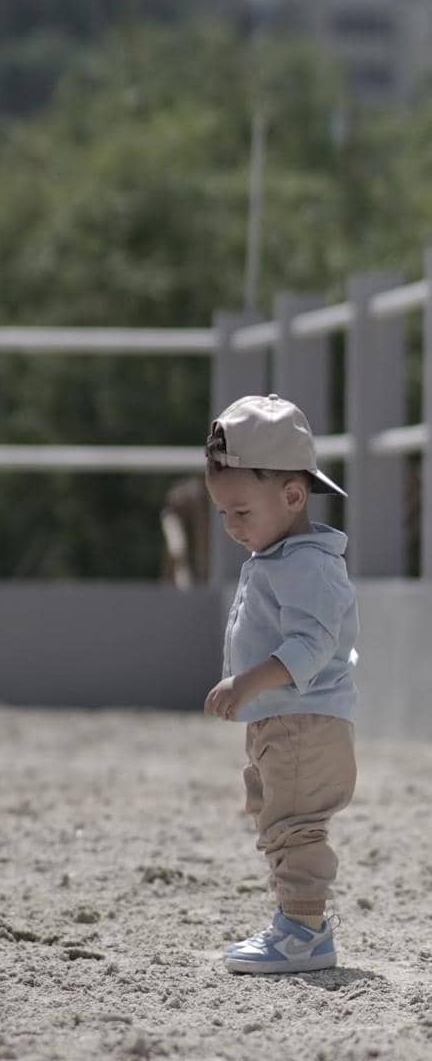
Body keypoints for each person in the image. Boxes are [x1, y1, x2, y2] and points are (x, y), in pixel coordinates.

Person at [203, 393, 358, 975]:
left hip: (305, 722)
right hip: (286, 721)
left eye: (241, 511)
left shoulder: (307, 564)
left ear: (294, 496)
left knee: (295, 825)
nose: (231, 526)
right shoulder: (280, 556)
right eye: (223, 513)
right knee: (276, 815)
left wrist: (246, 682)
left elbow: (310, 646)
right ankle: (296, 922)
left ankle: (304, 932)